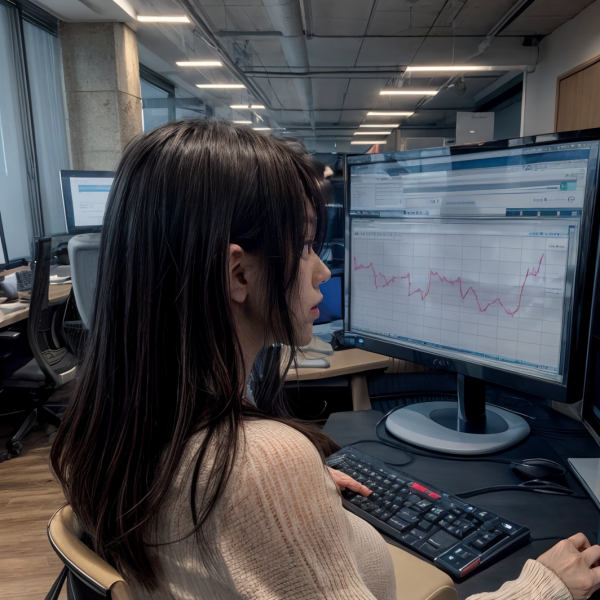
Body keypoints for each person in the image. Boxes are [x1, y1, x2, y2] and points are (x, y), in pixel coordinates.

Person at [51, 119, 600, 600]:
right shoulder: (259, 465)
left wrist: (289, 504)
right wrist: (543, 586)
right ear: (238, 273)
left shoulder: (115, 428)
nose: (323, 271)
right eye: (305, 246)